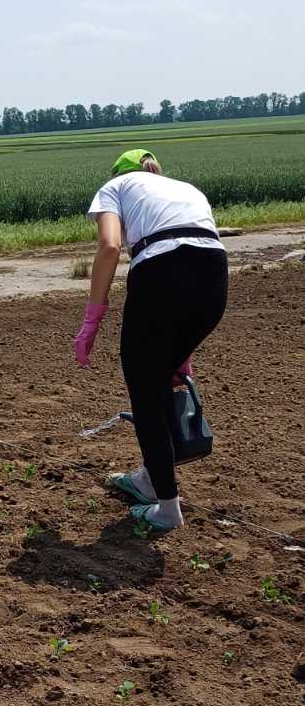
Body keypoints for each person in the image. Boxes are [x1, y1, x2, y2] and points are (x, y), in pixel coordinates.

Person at [73, 149, 227, 531]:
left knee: (145, 394)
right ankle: (147, 477)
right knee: (160, 379)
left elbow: (110, 246)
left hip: (160, 272)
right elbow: (196, 249)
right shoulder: (185, 188)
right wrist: (182, 350)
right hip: (215, 276)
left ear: (118, 173)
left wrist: (92, 319)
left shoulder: (114, 187)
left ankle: (167, 509)